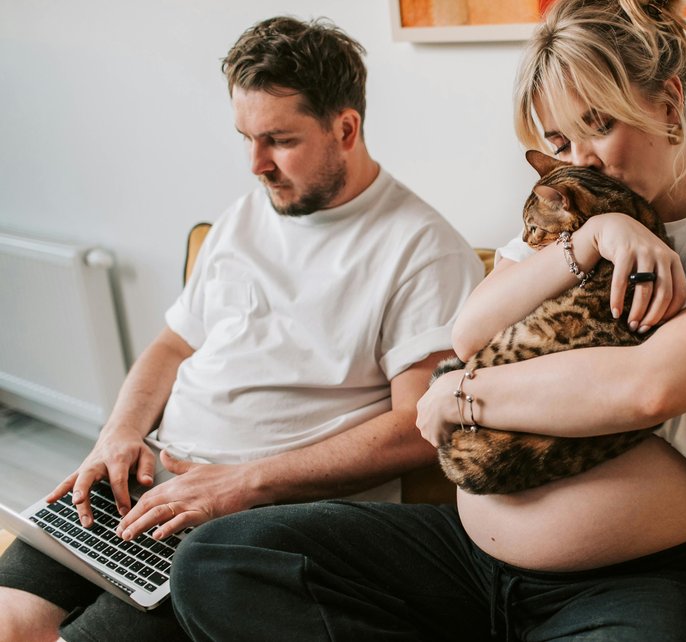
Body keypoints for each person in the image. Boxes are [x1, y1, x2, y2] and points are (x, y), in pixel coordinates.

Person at [172, 0, 686, 640]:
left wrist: (458, 394)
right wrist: (590, 240)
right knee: (221, 560)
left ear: (669, 102)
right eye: (558, 142)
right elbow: (471, 332)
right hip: (469, 561)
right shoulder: (564, 224)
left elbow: (651, 387)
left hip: (644, 578)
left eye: (598, 125)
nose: (578, 160)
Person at [0, 16, 483, 642]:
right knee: (9, 621)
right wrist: (117, 436)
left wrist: (244, 481)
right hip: (152, 483)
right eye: (246, 138)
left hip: (248, 522)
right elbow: (174, 344)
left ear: (345, 128)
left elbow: (419, 429)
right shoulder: (246, 214)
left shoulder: (423, 249)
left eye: (279, 140)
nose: (256, 164)